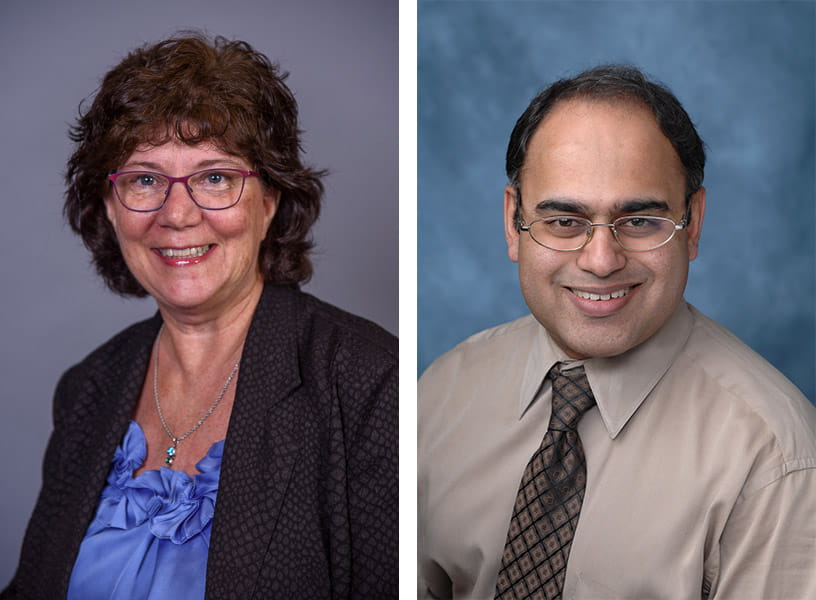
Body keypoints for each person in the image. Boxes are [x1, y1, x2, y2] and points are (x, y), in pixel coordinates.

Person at [2, 33, 397, 599]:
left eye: (215, 177)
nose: (178, 214)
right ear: (110, 206)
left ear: (269, 201)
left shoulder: (370, 385)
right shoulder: (88, 389)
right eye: (145, 179)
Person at [418, 65, 816, 599]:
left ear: (693, 224)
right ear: (514, 222)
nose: (601, 260)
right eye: (564, 221)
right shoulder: (442, 392)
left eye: (640, 221)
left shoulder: (775, 457)